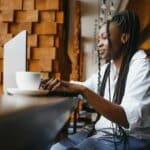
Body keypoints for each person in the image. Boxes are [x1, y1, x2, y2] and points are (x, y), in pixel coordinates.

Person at [41, 11, 150, 150]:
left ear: (124, 37)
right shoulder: (107, 69)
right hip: (104, 132)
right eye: (98, 40)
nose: (99, 44)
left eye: (104, 38)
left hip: (131, 137)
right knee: (57, 148)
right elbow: (85, 87)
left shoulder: (141, 67)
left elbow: (127, 119)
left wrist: (83, 90)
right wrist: (60, 84)